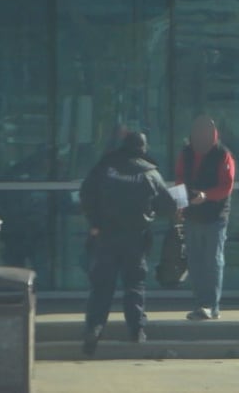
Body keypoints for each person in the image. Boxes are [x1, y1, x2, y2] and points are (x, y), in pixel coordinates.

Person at [79, 131, 176, 356]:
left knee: (101, 286)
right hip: (135, 237)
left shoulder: (106, 167)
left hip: (106, 236)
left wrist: (94, 222)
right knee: (134, 284)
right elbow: (168, 206)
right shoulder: (149, 173)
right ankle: (136, 330)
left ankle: (93, 330)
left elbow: (86, 193)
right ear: (143, 148)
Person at [175, 116, 236, 320]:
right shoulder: (186, 153)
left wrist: (206, 196)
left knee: (213, 261)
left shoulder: (222, 155)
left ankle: (211, 306)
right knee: (195, 262)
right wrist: (180, 205)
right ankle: (200, 303)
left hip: (215, 217)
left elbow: (226, 187)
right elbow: (180, 179)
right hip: (192, 216)